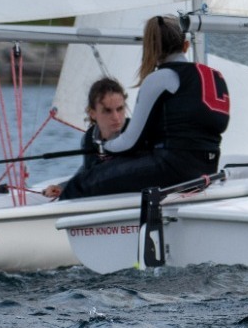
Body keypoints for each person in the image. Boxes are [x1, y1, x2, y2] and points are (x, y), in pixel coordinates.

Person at [48, 17, 228, 201]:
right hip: (207, 168)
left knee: (82, 184)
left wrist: (104, 146)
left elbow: (130, 141)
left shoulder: (161, 77)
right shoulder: (216, 76)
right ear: (186, 45)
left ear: (150, 47)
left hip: (172, 168)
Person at [41, 77, 128, 200]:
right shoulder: (89, 139)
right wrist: (63, 187)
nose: (116, 117)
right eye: (107, 111)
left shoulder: (137, 133)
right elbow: (86, 172)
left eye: (120, 109)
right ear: (92, 113)